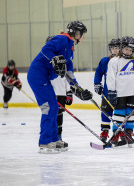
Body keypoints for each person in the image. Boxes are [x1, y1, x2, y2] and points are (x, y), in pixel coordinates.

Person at [27, 21, 93, 154]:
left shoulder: (70, 47)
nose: (83, 37)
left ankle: (53, 139)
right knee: (48, 107)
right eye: (82, 34)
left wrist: (77, 88)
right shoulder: (62, 39)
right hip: (37, 75)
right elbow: (46, 49)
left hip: (43, 77)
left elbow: (68, 70)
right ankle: (45, 142)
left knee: (55, 107)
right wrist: (54, 59)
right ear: (77, 33)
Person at [106, 36, 134, 147]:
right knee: (119, 113)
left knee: (131, 113)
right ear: (121, 48)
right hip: (120, 93)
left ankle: (128, 132)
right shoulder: (114, 61)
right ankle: (116, 133)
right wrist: (111, 91)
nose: (128, 52)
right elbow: (110, 77)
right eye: (126, 49)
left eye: (130, 50)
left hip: (133, 92)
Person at [46, 36, 73, 152]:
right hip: (52, 94)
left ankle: (58, 138)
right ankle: (49, 139)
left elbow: (67, 77)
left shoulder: (64, 59)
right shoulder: (47, 61)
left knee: (59, 116)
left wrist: (69, 93)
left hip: (61, 93)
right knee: (50, 116)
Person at [94, 38, 120, 143]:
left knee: (120, 114)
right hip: (107, 93)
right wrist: (97, 83)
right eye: (113, 48)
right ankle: (104, 131)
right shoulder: (105, 61)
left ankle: (120, 131)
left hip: (120, 93)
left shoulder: (123, 61)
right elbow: (98, 72)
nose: (115, 50)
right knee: (105, 112)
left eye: (117, 48)